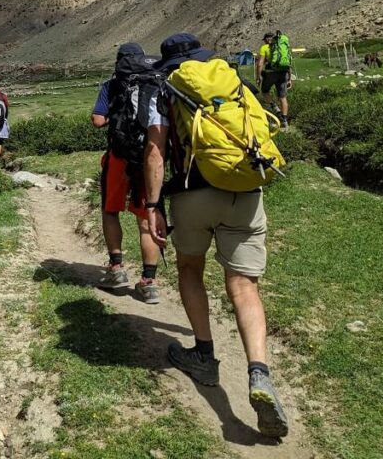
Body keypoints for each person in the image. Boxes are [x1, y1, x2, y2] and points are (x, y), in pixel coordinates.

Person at [143, 33, 288, 439]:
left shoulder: (164, 90)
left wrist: (152, 206)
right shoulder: (233, 83)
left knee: (190, 267)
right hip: (245, 191)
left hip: (193, 195)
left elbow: (155, 152)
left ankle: (204, 356)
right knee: (244, 286)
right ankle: (259, 371)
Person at [90, 43, 161, 303]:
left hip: (119, 157)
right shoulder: (155, 82)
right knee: (146, 220)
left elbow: (98, 120)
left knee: (110, 211)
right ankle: (149, 282)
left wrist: (113, 118)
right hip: (149, 160)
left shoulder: (112, 85)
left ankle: (117, 268)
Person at [256, 32, 290, 128]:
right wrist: (289, 78)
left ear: (266, 39)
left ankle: (275, 107)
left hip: (270, 74)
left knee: (265, 91)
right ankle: (285, 121)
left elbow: (259, 64)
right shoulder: (282, 46)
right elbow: (288, 62)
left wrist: (259, 76)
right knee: (283, 97)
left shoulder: (265, 48)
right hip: (283, 73)